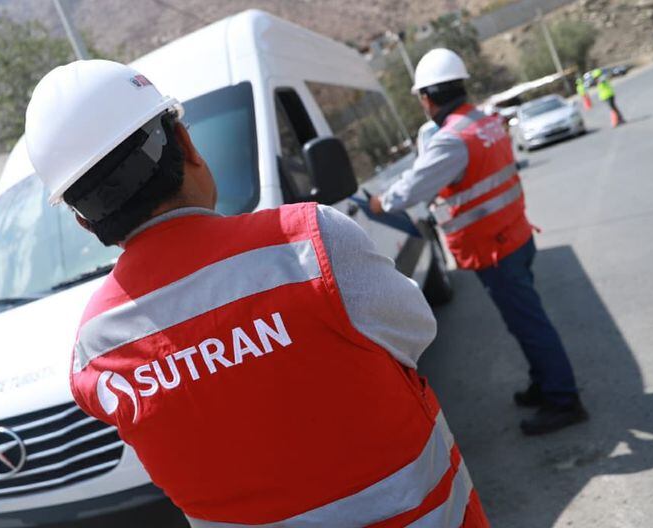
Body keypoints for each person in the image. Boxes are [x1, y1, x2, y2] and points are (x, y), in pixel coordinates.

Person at [24, 59, 490, 527]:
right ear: (186, 143)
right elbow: (416, 328)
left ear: (83, 220)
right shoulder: (308, 243)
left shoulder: (95, 350)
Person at [369, 49, 587, 436]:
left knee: (529, 324)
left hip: (496, 248)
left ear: (427, 98)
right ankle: (544, 382)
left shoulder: (451, 140)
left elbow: (409, 191)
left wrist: (379, 202)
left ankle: (564, 400)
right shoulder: (484, 121)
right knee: (525, 321)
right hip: (515, 235)